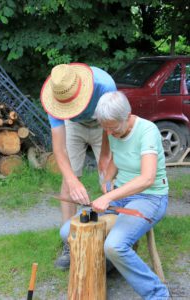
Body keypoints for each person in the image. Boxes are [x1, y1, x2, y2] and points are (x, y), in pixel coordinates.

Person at [59, 91, 170, 299]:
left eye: (113, 128)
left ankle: (157, 293)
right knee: (68, 232)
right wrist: (108, 181)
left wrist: (110, 197)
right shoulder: (114, 130)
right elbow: (116, 160)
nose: (109, 134)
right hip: (120, 194)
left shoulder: (147, 131)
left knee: (115, 245)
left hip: (150, 197)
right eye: (105, 128)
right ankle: (109, 265)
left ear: (127, 116)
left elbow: (147, 178)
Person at [40, 63, 117, 269]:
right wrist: (73, 180)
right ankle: (69, 242)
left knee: (109, 179)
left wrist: (105, 155)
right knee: (68, 181)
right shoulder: (53, 96)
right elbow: (59, 149)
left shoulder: (104, 85)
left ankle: (113, 243)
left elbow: (111, 122)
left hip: (103, 125)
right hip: (73, 127)